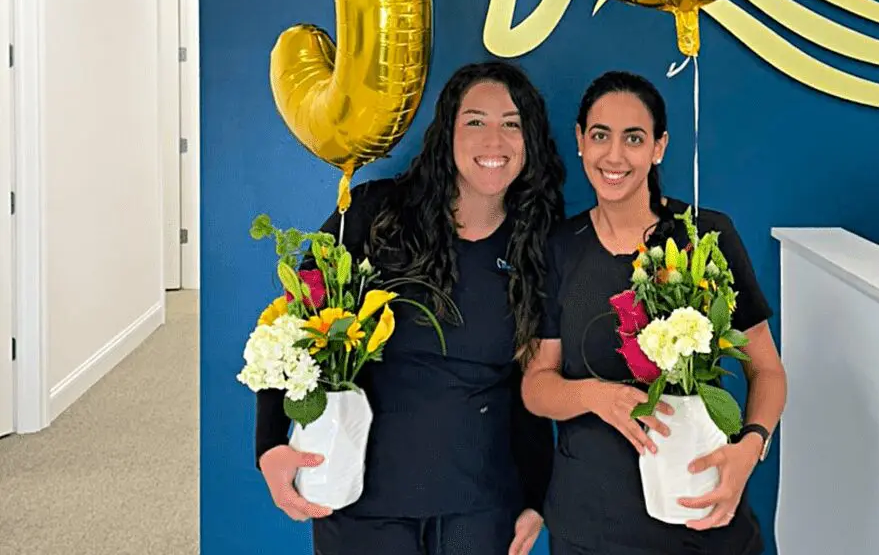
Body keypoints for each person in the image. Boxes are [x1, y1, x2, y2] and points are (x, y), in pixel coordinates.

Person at [256, 60, 565, 555]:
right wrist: (269, 444)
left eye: (512, 124)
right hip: (358, 498)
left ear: (529, 141)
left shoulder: (537, 246)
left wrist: (536, 496)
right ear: (447, 133)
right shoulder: (373, 214)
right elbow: (289, 329)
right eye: (475, 121)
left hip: (481, 509)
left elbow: (524, 387)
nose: (495, 140)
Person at [523, 71, 787, 555]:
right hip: (591, 529)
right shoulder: (558, 248)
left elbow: (766, 370)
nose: (615, 156)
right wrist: (595, 396)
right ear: (581, 141)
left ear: (659, 147)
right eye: (600, 135)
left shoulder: (706, 236)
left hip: (704, 517)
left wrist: (751, 448)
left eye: (634, 138)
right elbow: (537, 386)